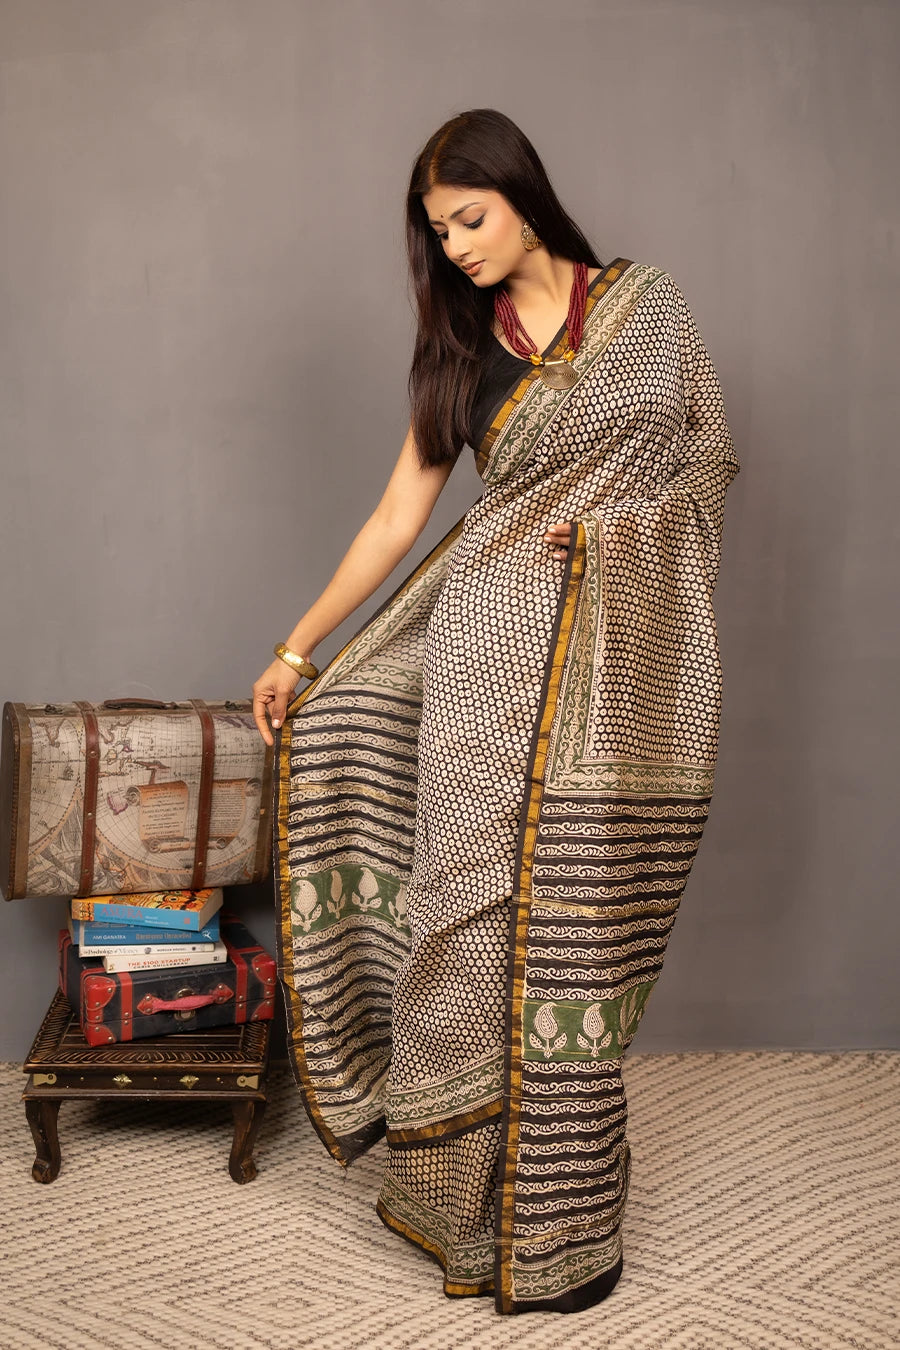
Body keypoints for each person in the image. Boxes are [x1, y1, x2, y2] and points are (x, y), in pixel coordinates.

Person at [252, 108, 740, 1316]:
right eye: (437, 231)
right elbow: (394, 519)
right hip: (482, 665)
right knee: (467, 929)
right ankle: (463, 1215)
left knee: (577, 938)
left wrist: (614, 540)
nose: (456, 247)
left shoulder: (647, 310)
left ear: (522, 193)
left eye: (469, 218)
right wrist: (298, 649)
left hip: (613, 683)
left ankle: (569, 1233)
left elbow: (709, 459)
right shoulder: (459, 359)